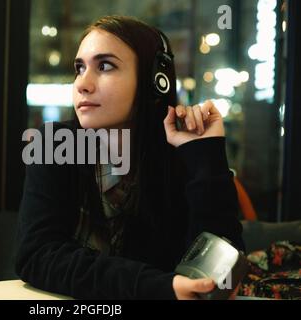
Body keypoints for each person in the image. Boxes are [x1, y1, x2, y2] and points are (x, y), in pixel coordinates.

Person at [15, 15, 244, 300]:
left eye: (105, 66)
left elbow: (224, 274)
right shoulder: (54, 144)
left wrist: (205, 155)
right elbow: (37, 254)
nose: (82, 84)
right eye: (79, 68)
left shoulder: (177, 154)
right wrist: (160, 288)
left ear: (155, 83)